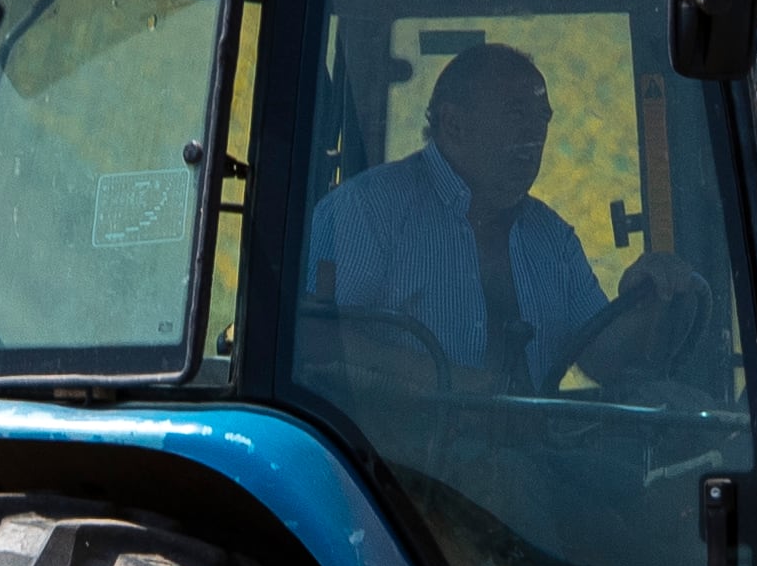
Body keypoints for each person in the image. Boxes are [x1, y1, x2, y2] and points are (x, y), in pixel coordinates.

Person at [307, 42, 717, 392]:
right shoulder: (366, 211)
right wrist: (453, 384)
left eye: (542, 119)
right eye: (515, 113)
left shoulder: (551, 239)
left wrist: (645, 297)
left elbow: (602, 359)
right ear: (453, 125)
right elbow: (315, 340)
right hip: (398, 462)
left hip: (528, 458)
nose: (534, 135)